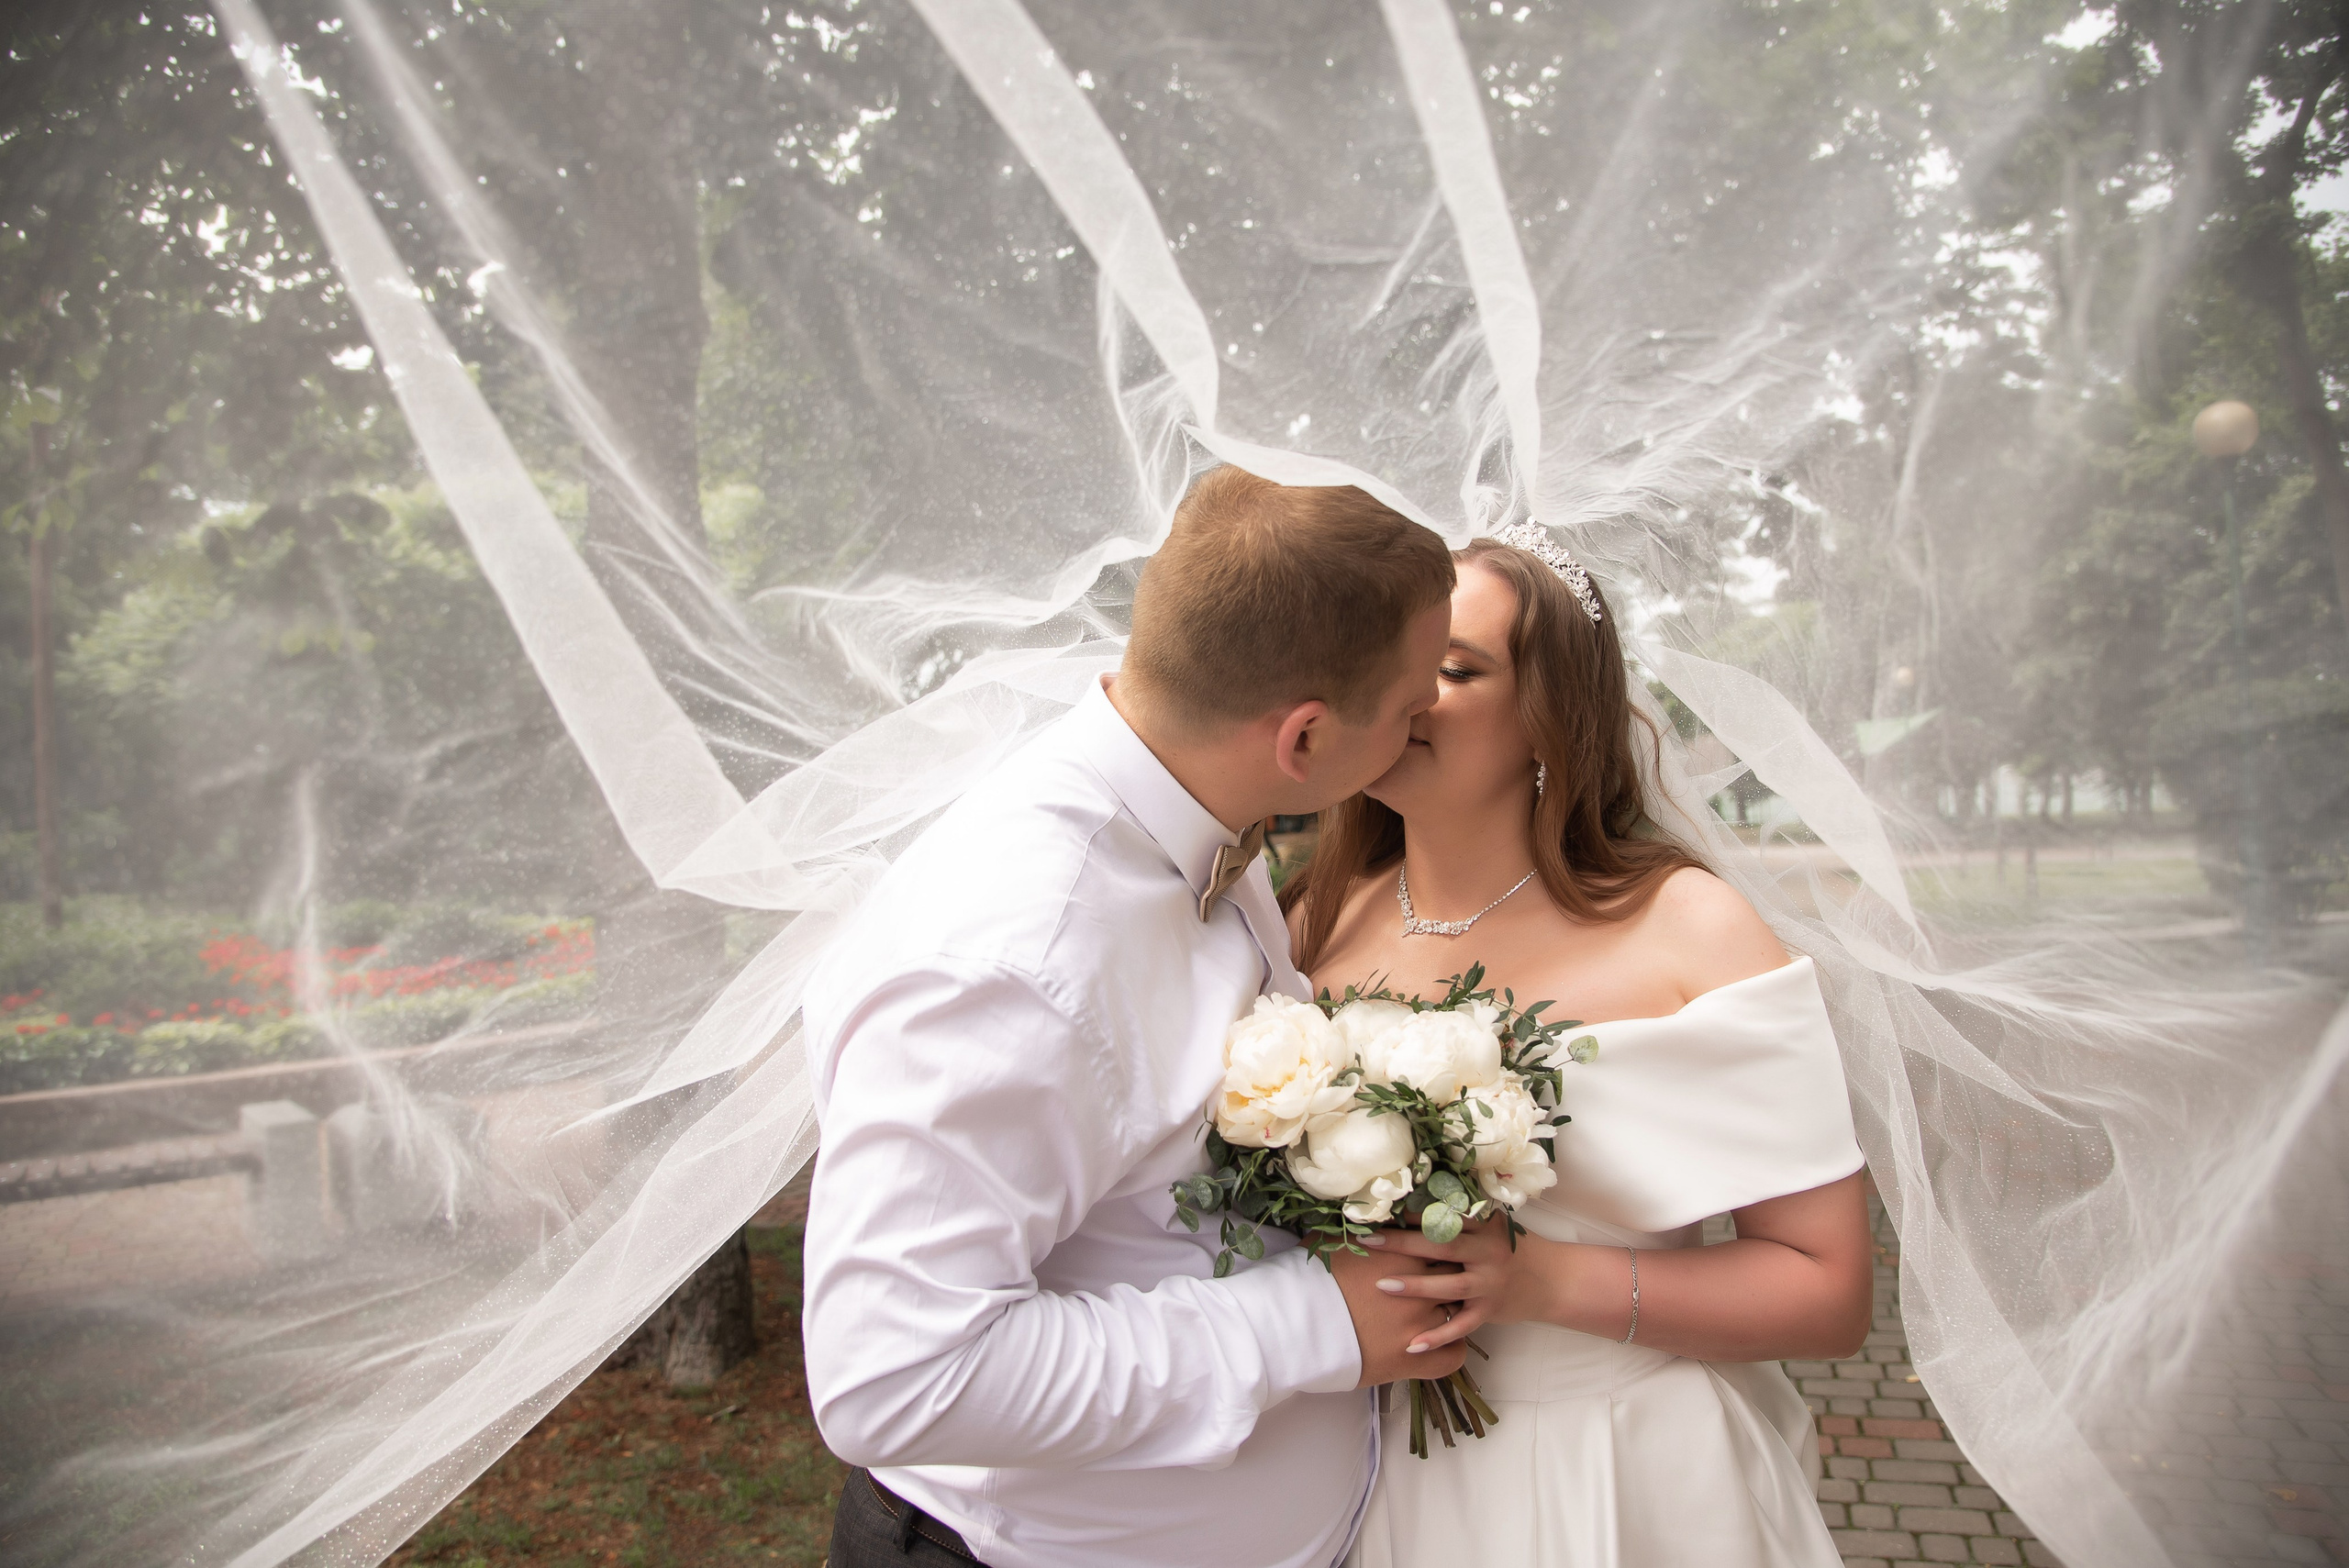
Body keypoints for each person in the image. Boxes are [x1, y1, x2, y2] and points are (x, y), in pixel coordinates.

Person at [800, 465, 1461, 1567]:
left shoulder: (1194, 803)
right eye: (1409, 705)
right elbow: (895, 1376)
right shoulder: (1017, 956)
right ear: (1302, 739)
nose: (1426, 720)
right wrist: (1316, 1325)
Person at [1280, 530, 1875, 1568]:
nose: (1406, 691)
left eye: (1456, 667)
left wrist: (1540, 1283)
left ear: (1551, 715)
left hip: (1618, 1471)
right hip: (1351, 1470)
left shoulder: (1691, 930)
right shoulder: (1308, 922)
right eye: (1391, 658)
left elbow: (1827, 1290)